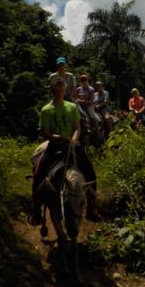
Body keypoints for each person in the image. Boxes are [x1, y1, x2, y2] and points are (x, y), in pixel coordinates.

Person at [30, 76, 99, 225]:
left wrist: (74, 139)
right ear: (51, 91)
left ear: (64, 90)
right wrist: (58, 137)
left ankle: (92, 206)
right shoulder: (46, 110)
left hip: (72, 145)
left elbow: (77, 127)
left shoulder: (72, 107)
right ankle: (36, 210)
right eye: (56, 91)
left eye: (61, 91)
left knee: (90, 173)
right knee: (38, 175)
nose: (59, 94)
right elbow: (45, 132)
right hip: (54, 146)